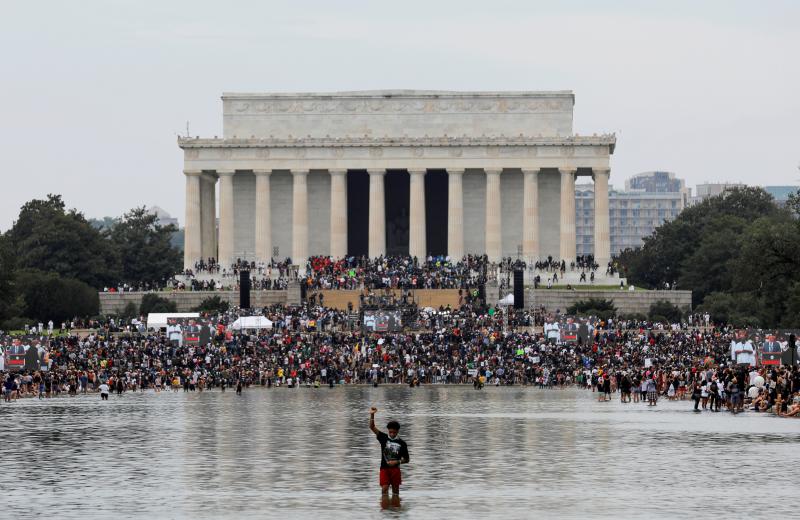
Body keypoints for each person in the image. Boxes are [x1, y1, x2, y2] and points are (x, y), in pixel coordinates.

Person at [369, 406, 409, 504]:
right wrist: (372, 414)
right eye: (390, 432)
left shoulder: (402, 443)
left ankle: (396, 510)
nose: (392, 434)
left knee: (395, 492)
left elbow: (407, 459)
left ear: (397, 431)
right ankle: (385, 509)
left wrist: (397, 461)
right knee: (384, 489)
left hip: (395, 469)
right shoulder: (383, 437)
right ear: (388, 431)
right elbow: (372, 427)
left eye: (394, 432)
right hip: (384, 468)